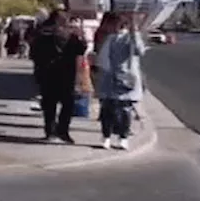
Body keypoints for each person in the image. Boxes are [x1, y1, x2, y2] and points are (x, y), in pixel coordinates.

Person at [30, 8, 88, 143]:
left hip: (57, 74)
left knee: (58, 104)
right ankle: (58, 131)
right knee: (59, 105)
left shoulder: (45, 34)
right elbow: (81, 50)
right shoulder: (48, 34)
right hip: (58, 74)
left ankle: (55, 131)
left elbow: (81, 49)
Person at [96, 12, 145, 149]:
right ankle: (109, 137)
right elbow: (102, 58)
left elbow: (139, 51)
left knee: (121, 109)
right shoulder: (110, 38)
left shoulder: (130, 38)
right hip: (111, 78)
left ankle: (120, 137)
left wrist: (134, 31)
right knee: (111, 109)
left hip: (124, 79)